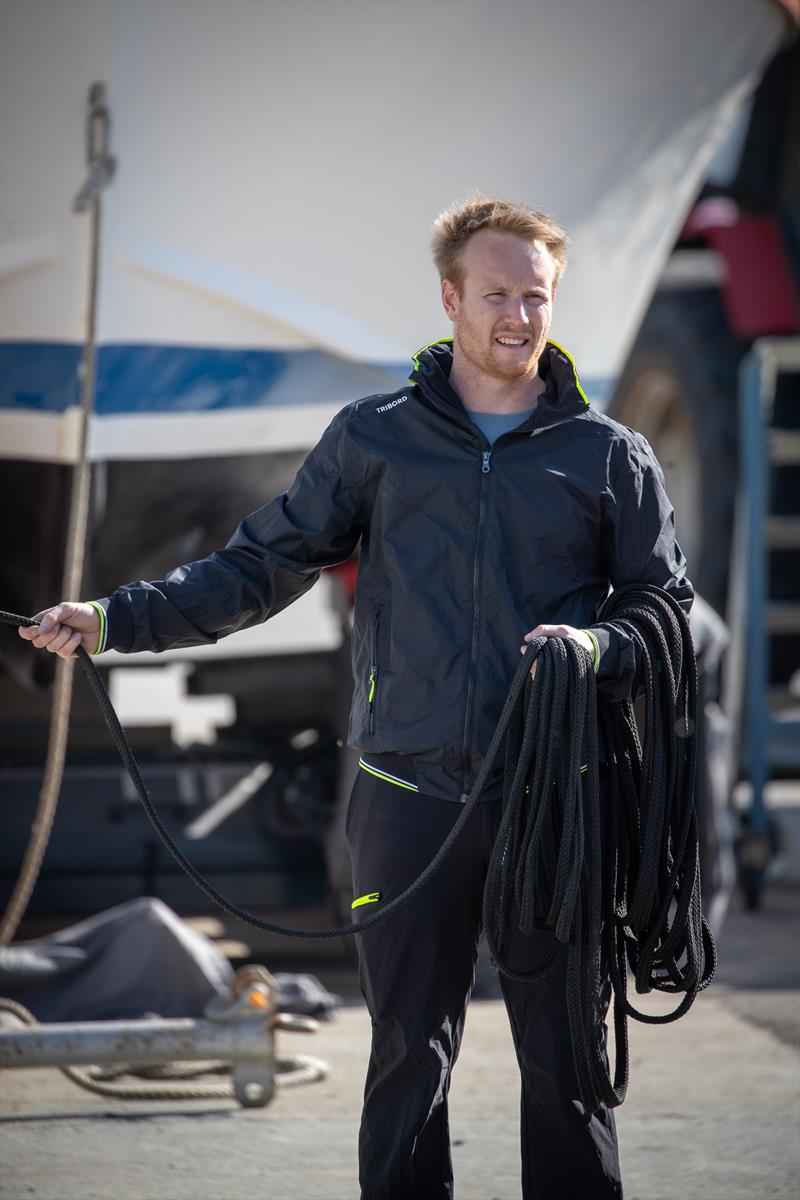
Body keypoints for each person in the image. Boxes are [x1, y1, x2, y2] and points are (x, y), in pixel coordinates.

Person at [20, 195, 692, 1200]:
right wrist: (116, 619)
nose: (517, 315)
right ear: (450, 300)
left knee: (567, 1070)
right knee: (406, 1055)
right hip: (403, 789)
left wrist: (595, 642)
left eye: (536, 296)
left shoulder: (604, 454)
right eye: (497, 293)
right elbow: (258, 567)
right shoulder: (375, 439)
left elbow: (661, 607)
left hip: (555, 798)